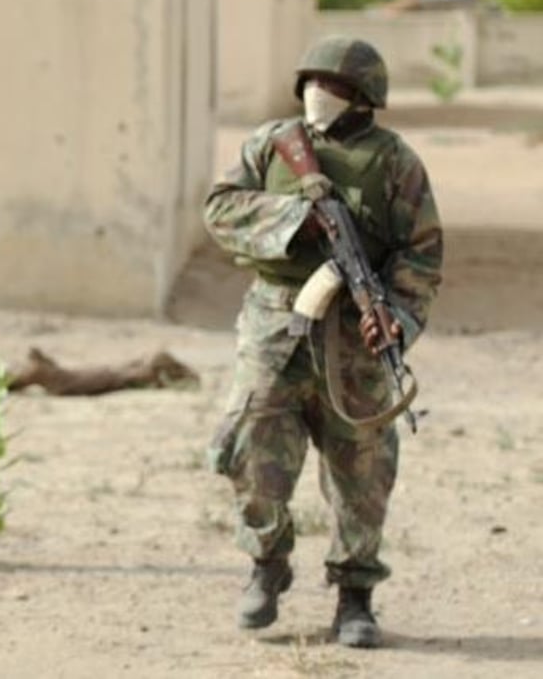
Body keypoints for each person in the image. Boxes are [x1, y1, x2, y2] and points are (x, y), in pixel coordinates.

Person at [203, 36, 442, 648]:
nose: (317, 93)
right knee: (252, 448)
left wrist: (397, 318)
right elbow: (220, 209)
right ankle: (266, 563)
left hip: (355, 340)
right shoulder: (272, 143)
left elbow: (422, 253)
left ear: (362, 99)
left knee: (362, 469)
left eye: (332, 86)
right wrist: (294, 220)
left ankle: (355, 595)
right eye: (311, 81)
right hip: (275, 324)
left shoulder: (396, 162)